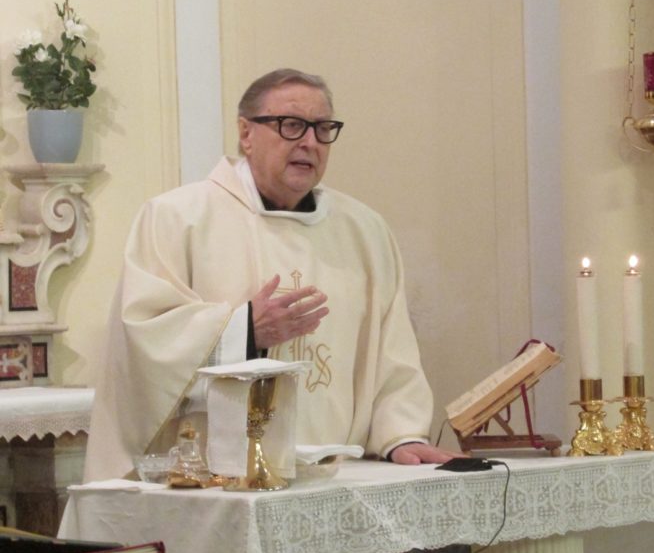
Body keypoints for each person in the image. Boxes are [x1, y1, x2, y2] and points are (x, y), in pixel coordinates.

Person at [84, 68, 457, 482]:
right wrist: (244, 329)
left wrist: (399, 434)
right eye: (292, 125)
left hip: (335, 478)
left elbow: (393, 349)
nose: (309, 142)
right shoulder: (177, 218)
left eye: (322, 128)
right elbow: (142, 337)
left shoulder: (364, 231)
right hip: (215, 481)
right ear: (246, 133)